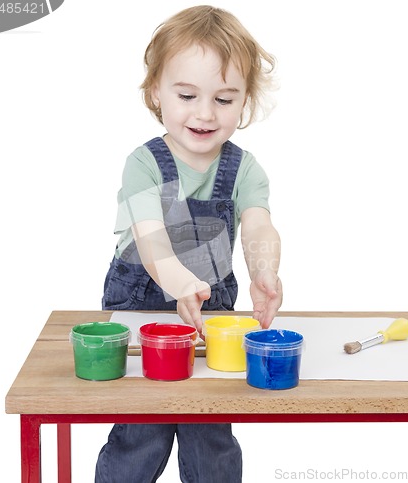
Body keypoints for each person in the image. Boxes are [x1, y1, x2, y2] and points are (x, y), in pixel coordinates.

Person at [95, 5, 282, 482]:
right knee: (143, 428)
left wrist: (264, 271)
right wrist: (181, 283)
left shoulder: (245, 169)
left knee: (210, 426)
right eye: (187, 95)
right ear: (156, 92)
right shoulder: (144, 164)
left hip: (209, 310)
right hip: (141, 306)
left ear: (245, 102)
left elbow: (259, 225)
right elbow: (152, 241)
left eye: (224, 99)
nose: (204, 113)